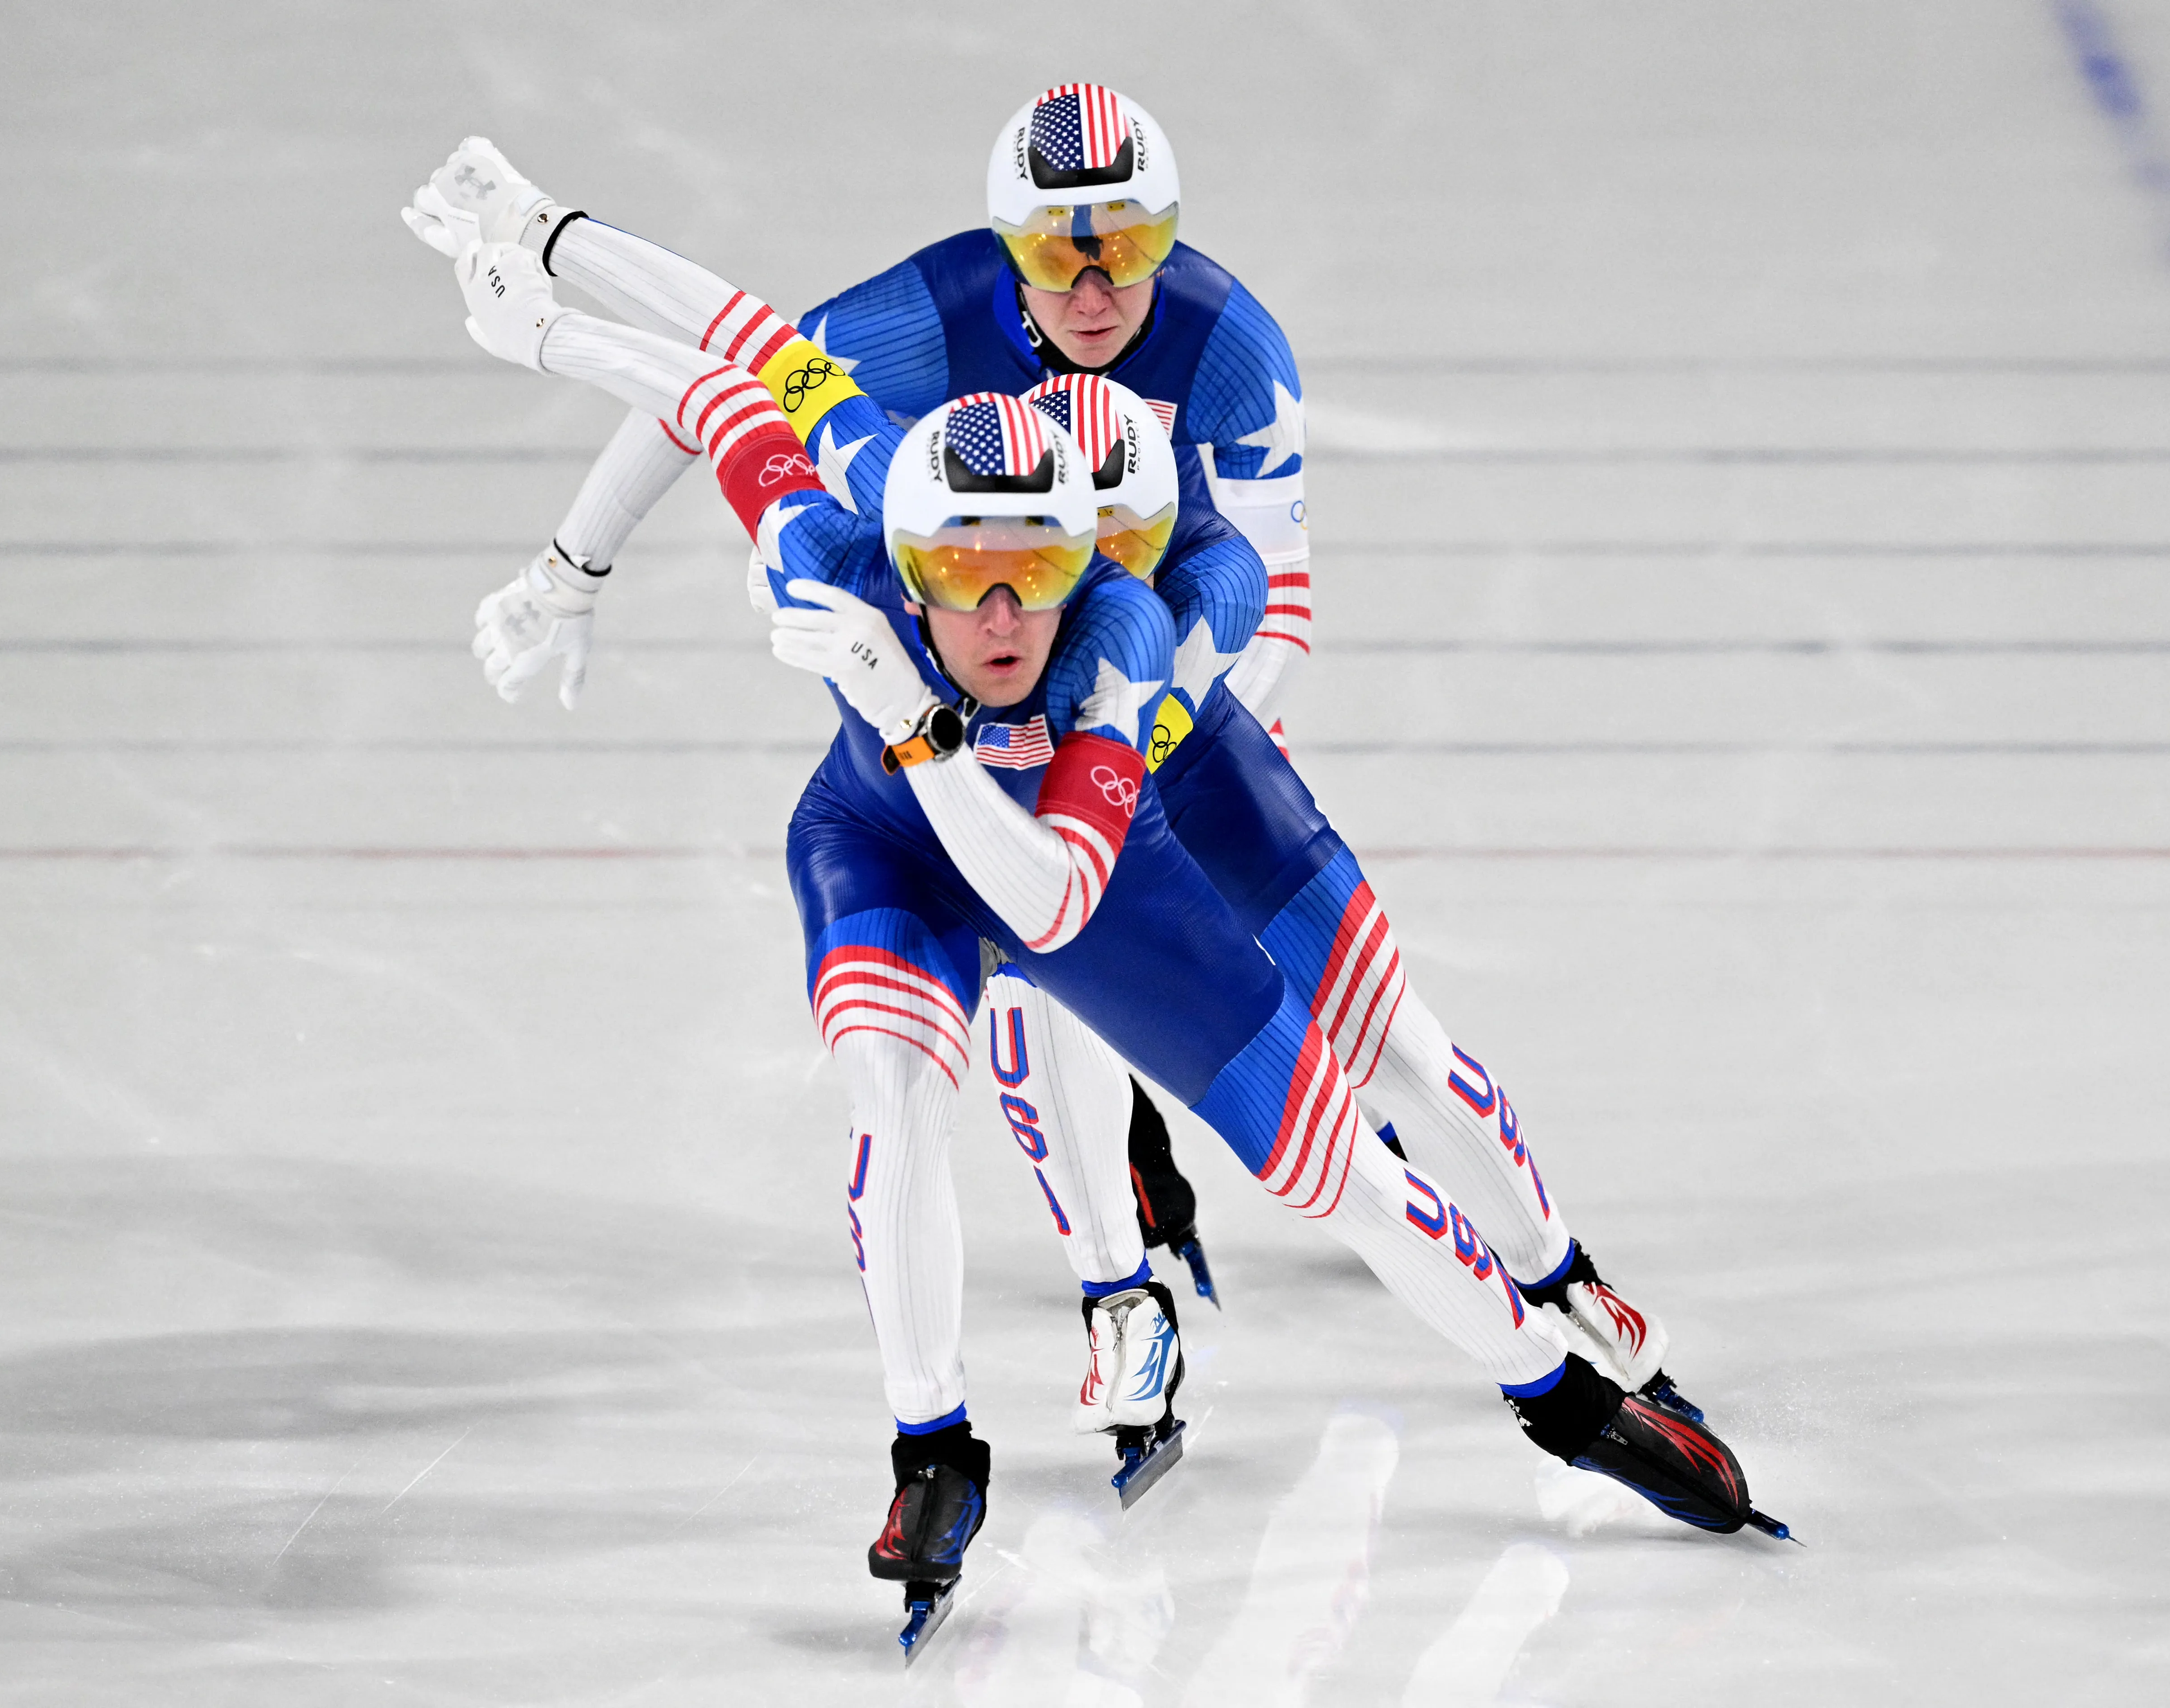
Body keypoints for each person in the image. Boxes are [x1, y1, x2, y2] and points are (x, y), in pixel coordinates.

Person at [400, 173, 1786, 1645]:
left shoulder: (1143, 627)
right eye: (964, 574)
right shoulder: (844, 528)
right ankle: (946, 1435)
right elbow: (749, 370)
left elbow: (1056, 902)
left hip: (1110, 841)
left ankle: (1562, 1375)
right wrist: (550, 310)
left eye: (1046, 571)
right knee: (893, 1100)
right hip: (897, 839)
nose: (1002, 618)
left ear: (1107, 551)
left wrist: (910, 713)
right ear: (905, 541)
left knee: (1347, 1147)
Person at [465, 86, 1303, 1292]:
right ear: (1007, 252)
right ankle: (1119, 1271)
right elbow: (737, 373)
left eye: (1124, 252)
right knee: (1030, 976)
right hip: (979, 667)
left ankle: (1178, 1212)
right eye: (1053, 258)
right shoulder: (923, 335)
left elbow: (1277, 611)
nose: (1088, 294)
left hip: (1131, 680)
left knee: (1109, 928)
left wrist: (1151, 765)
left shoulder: (1228, 349)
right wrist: (572, 552)